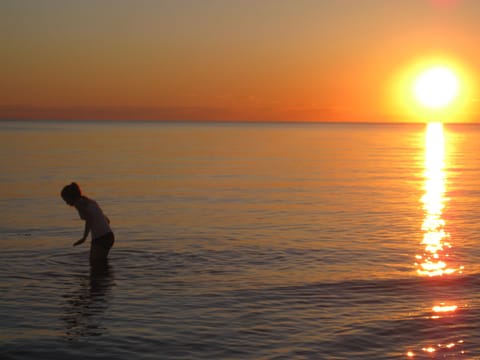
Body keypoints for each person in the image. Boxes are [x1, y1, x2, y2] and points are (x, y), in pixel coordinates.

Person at [61, 182, 114, 265]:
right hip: (109, 236)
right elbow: (107, 220)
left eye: (66, 199)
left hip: (100, 238)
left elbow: (89, 220)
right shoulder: (90, 201)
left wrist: (84, 238)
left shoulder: (78, 204)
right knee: (101, 265)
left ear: (71, 197)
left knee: (95, 265)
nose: (66, 203)